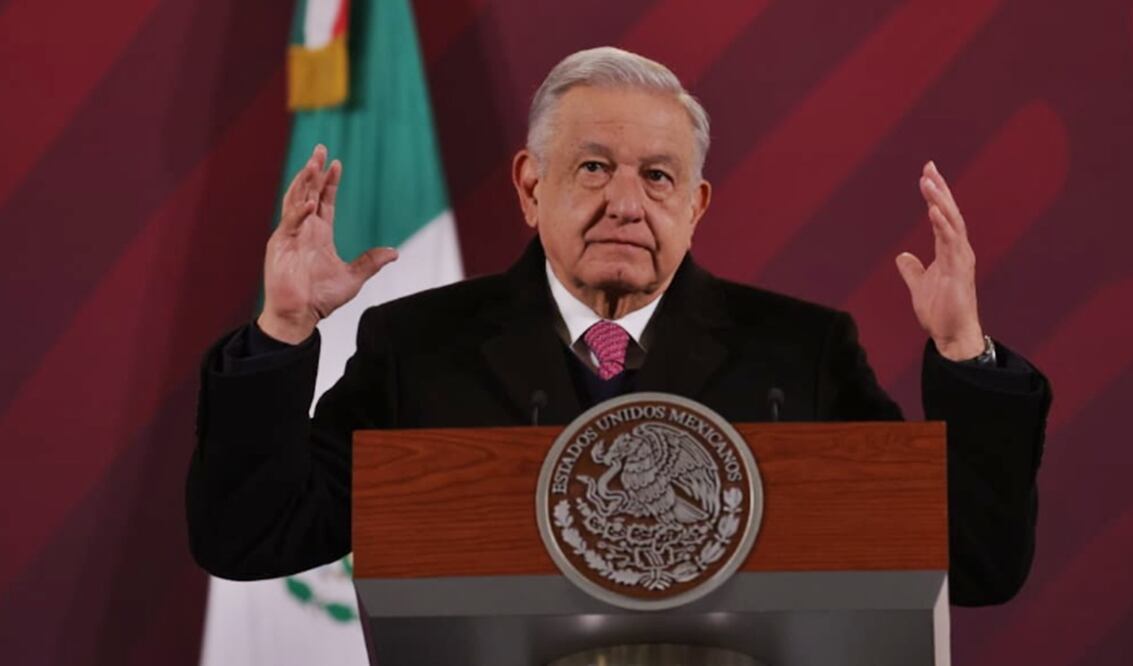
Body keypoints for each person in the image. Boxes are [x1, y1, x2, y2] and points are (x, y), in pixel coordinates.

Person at [187, 47, 1050, 606]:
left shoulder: (799, 353)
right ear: (530, 187)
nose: (626, 205)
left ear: (696, 204)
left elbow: (968, 562)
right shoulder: (419, 348)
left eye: (659, 177)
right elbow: (252, 534)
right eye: (592, 167)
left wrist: (962, 352)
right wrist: (283, 326)